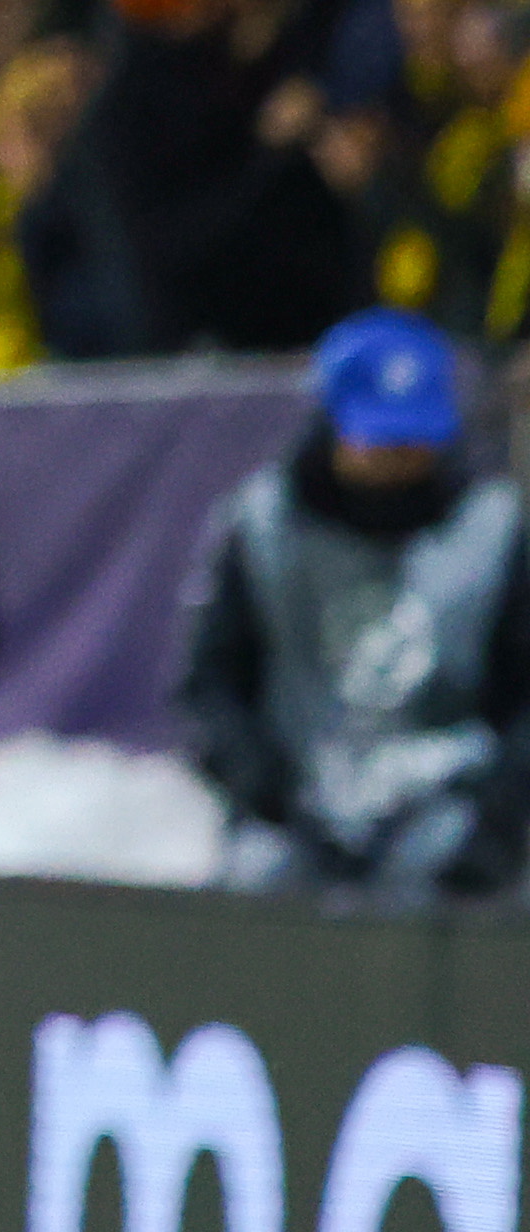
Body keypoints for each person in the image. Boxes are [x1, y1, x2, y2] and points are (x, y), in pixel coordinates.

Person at [179, 311, 524, 897]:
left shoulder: (494, 528)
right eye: (378, 439)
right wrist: (259, 782)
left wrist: (499, 818)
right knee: (257, 883)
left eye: (413, 440)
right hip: (295, 804)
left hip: (446, 805)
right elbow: (209, 684)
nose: (396, 458)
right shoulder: (263, 525)